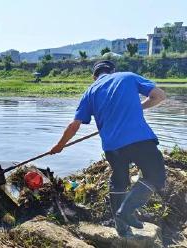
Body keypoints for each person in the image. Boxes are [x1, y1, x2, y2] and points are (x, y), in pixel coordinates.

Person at [49, 60, 166, 236]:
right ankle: (126, 211)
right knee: (155, 176)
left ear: (94, 76)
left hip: (112, 147)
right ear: (112, 71)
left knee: (119, 181)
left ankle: (121, 226)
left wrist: (59, 145)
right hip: (138, 139)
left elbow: (74, 125)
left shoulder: (90, 91)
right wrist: (138, 107)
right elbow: (159, 96)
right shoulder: (127, 77)